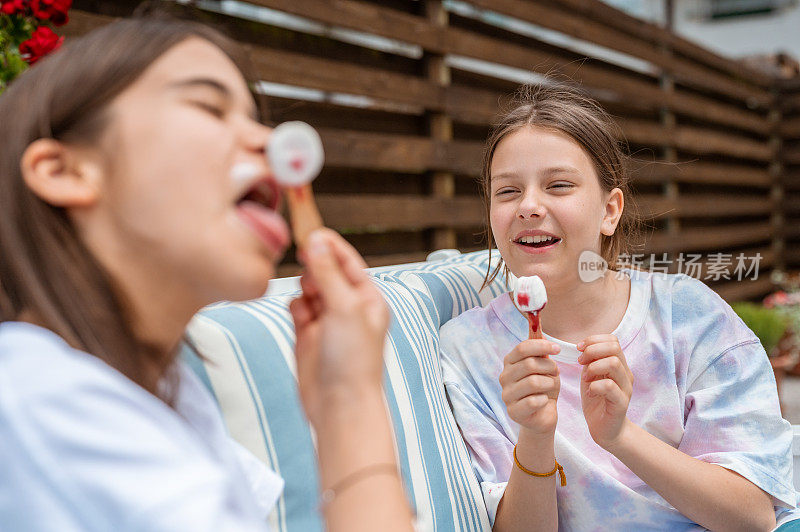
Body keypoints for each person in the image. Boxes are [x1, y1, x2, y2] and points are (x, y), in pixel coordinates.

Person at [0, 15, 413, 532]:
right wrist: (349, 401)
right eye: (209, 106)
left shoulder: (173, 400)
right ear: (65, 171)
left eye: (257, 117)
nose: (270, 141)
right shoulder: (44, 407)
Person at [439, 84, 799, 531]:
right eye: (507, 191)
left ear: (610, 211)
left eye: (559, 185)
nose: (529, 206)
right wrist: (534, 436)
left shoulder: (687, 316)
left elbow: (753, 516)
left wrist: (619, 435)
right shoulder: (468, 349)